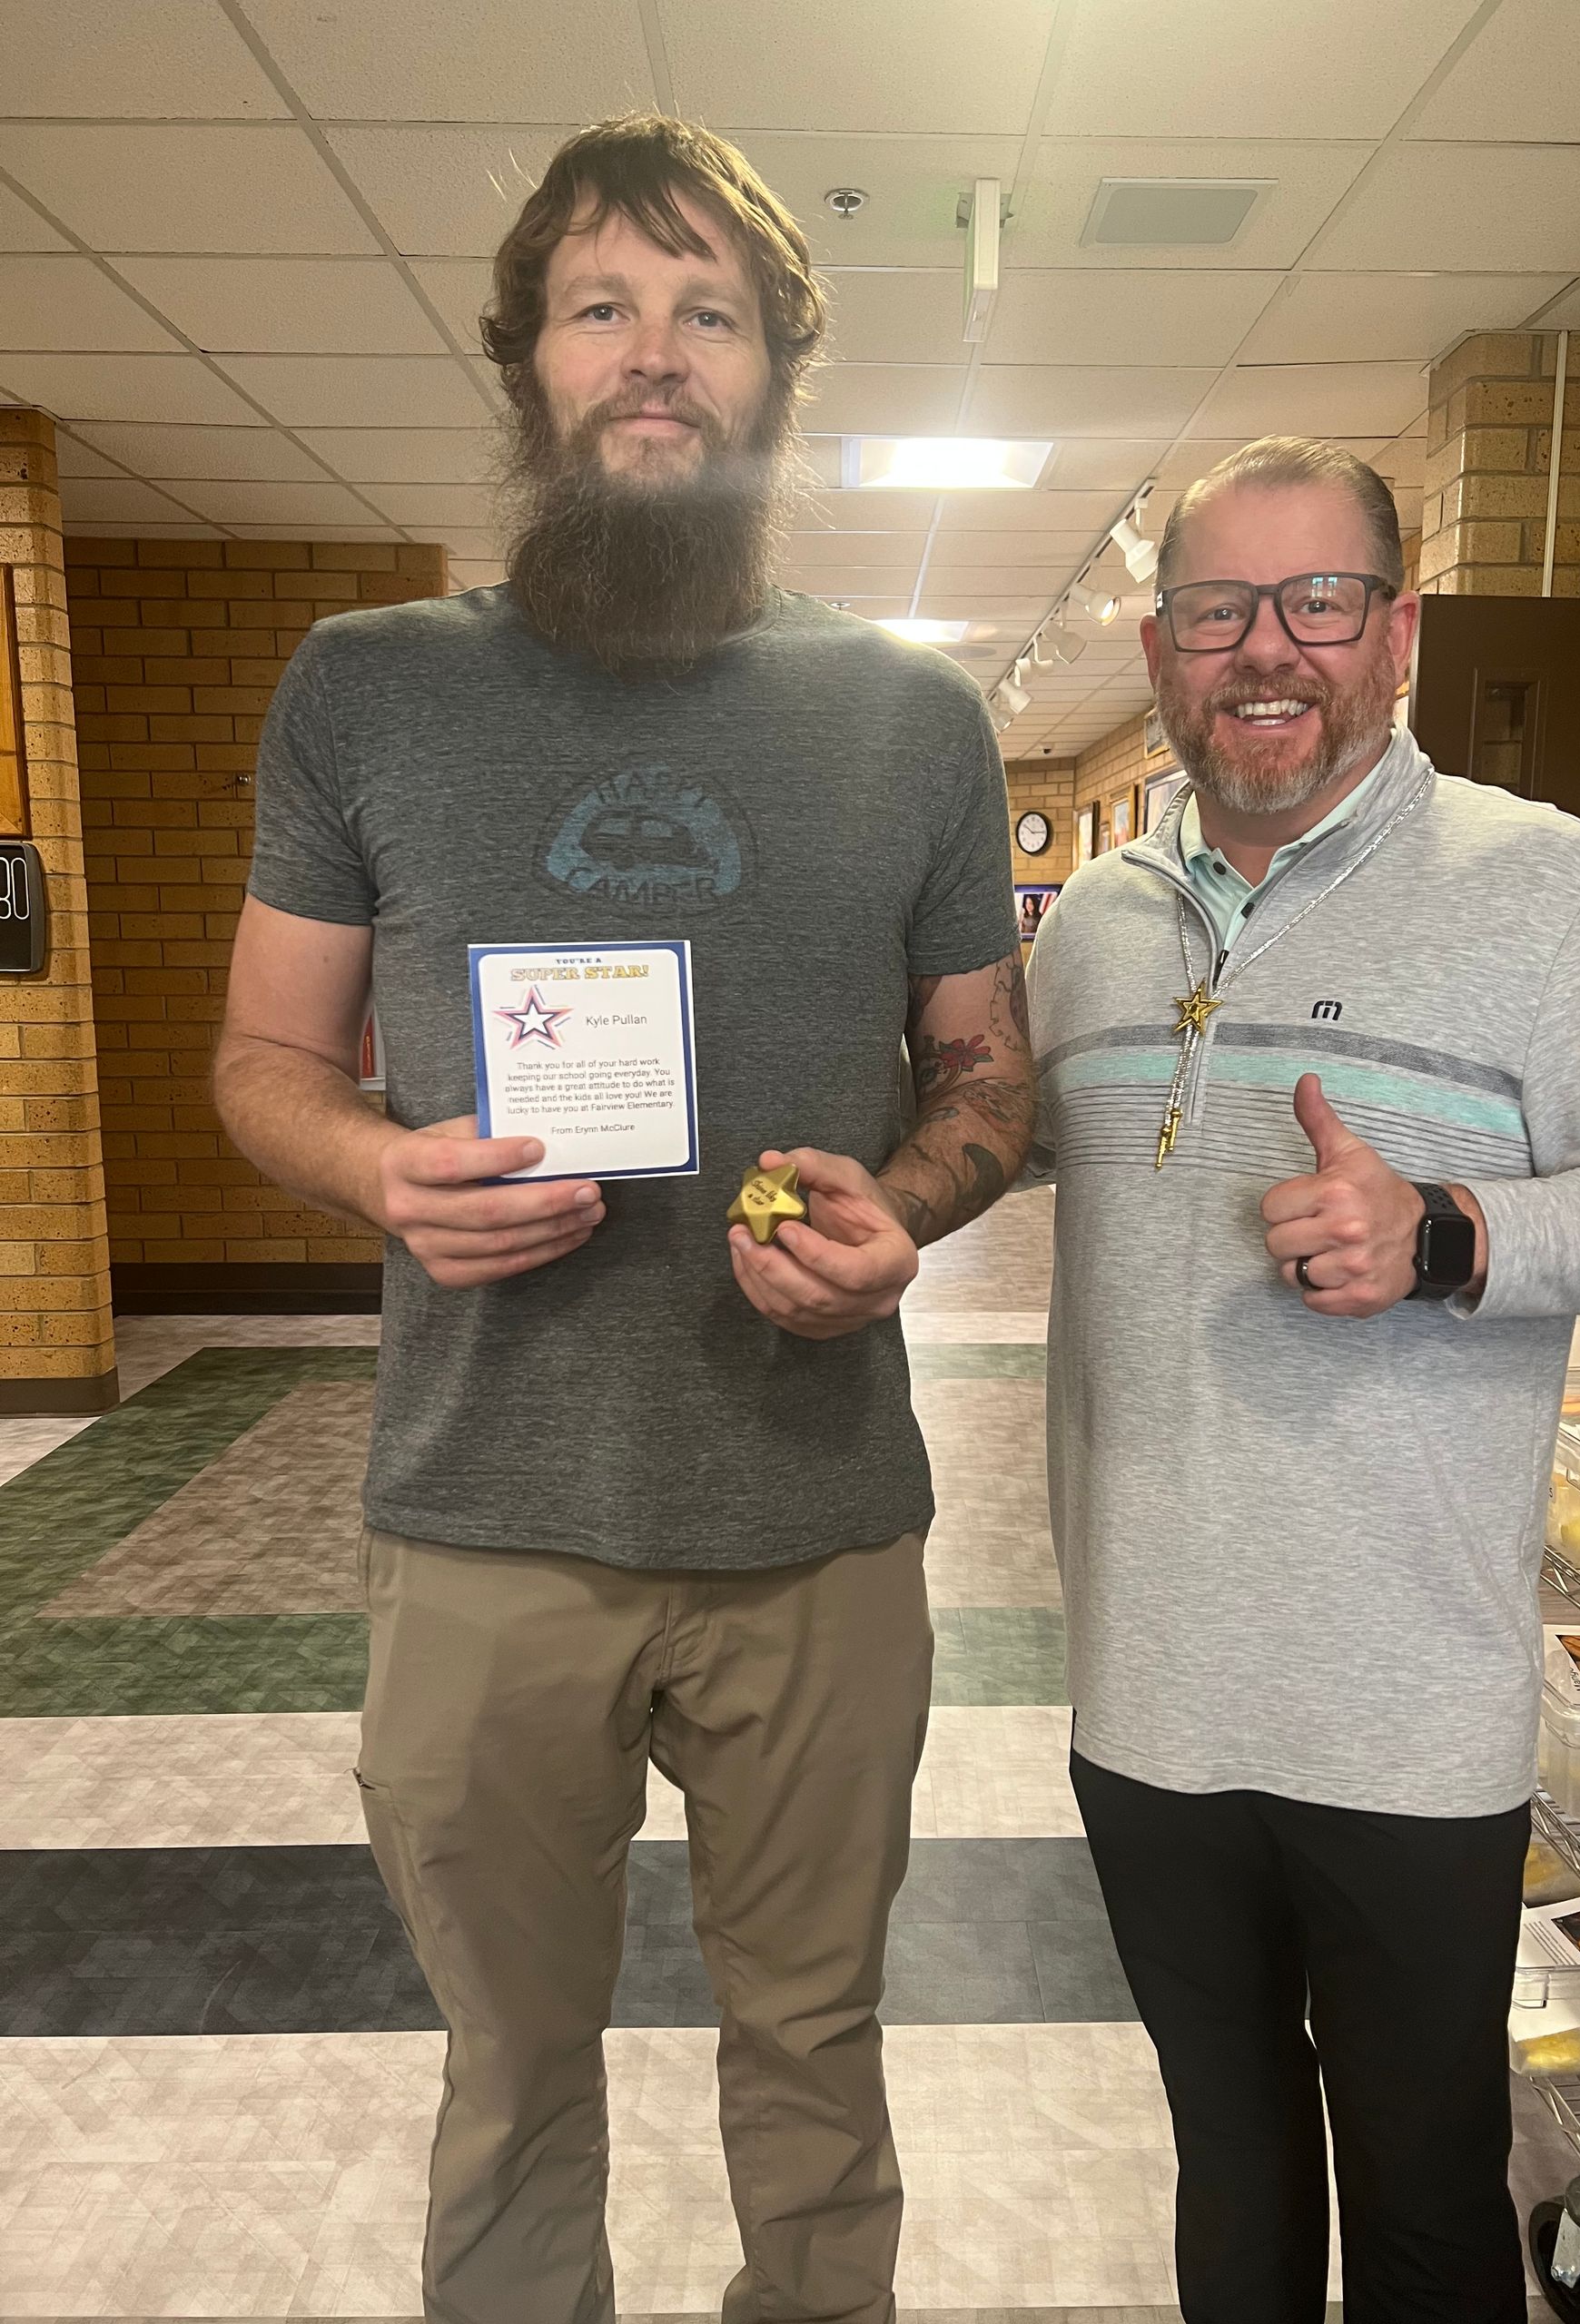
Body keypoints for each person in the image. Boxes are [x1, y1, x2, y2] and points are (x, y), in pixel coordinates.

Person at [213, 114, 1033, 2324]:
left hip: (821, 1519)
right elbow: (260, 1063)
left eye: (710, 316)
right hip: (486, 1516)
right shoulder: (367, 684)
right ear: (530, 361)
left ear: (778, 372)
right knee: (509, 2062)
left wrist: (918, 1207)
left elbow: (986, 1071)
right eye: (603, 307)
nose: (655, 356)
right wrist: (385, 1167)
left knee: (815, 2047)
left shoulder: (913, 715)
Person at [1022, 435, 1580, 2324]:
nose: (1268, 648)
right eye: (1215, 608)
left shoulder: (1548, 885)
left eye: (1318, 599)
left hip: (1403, 1706)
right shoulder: (1095, 929)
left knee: (1423, 2187)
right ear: (1161, 645)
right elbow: (1015, 1152)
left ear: (1398, 628)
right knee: (1228, 2161)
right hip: (1149, 1693)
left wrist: (1453, 1233)